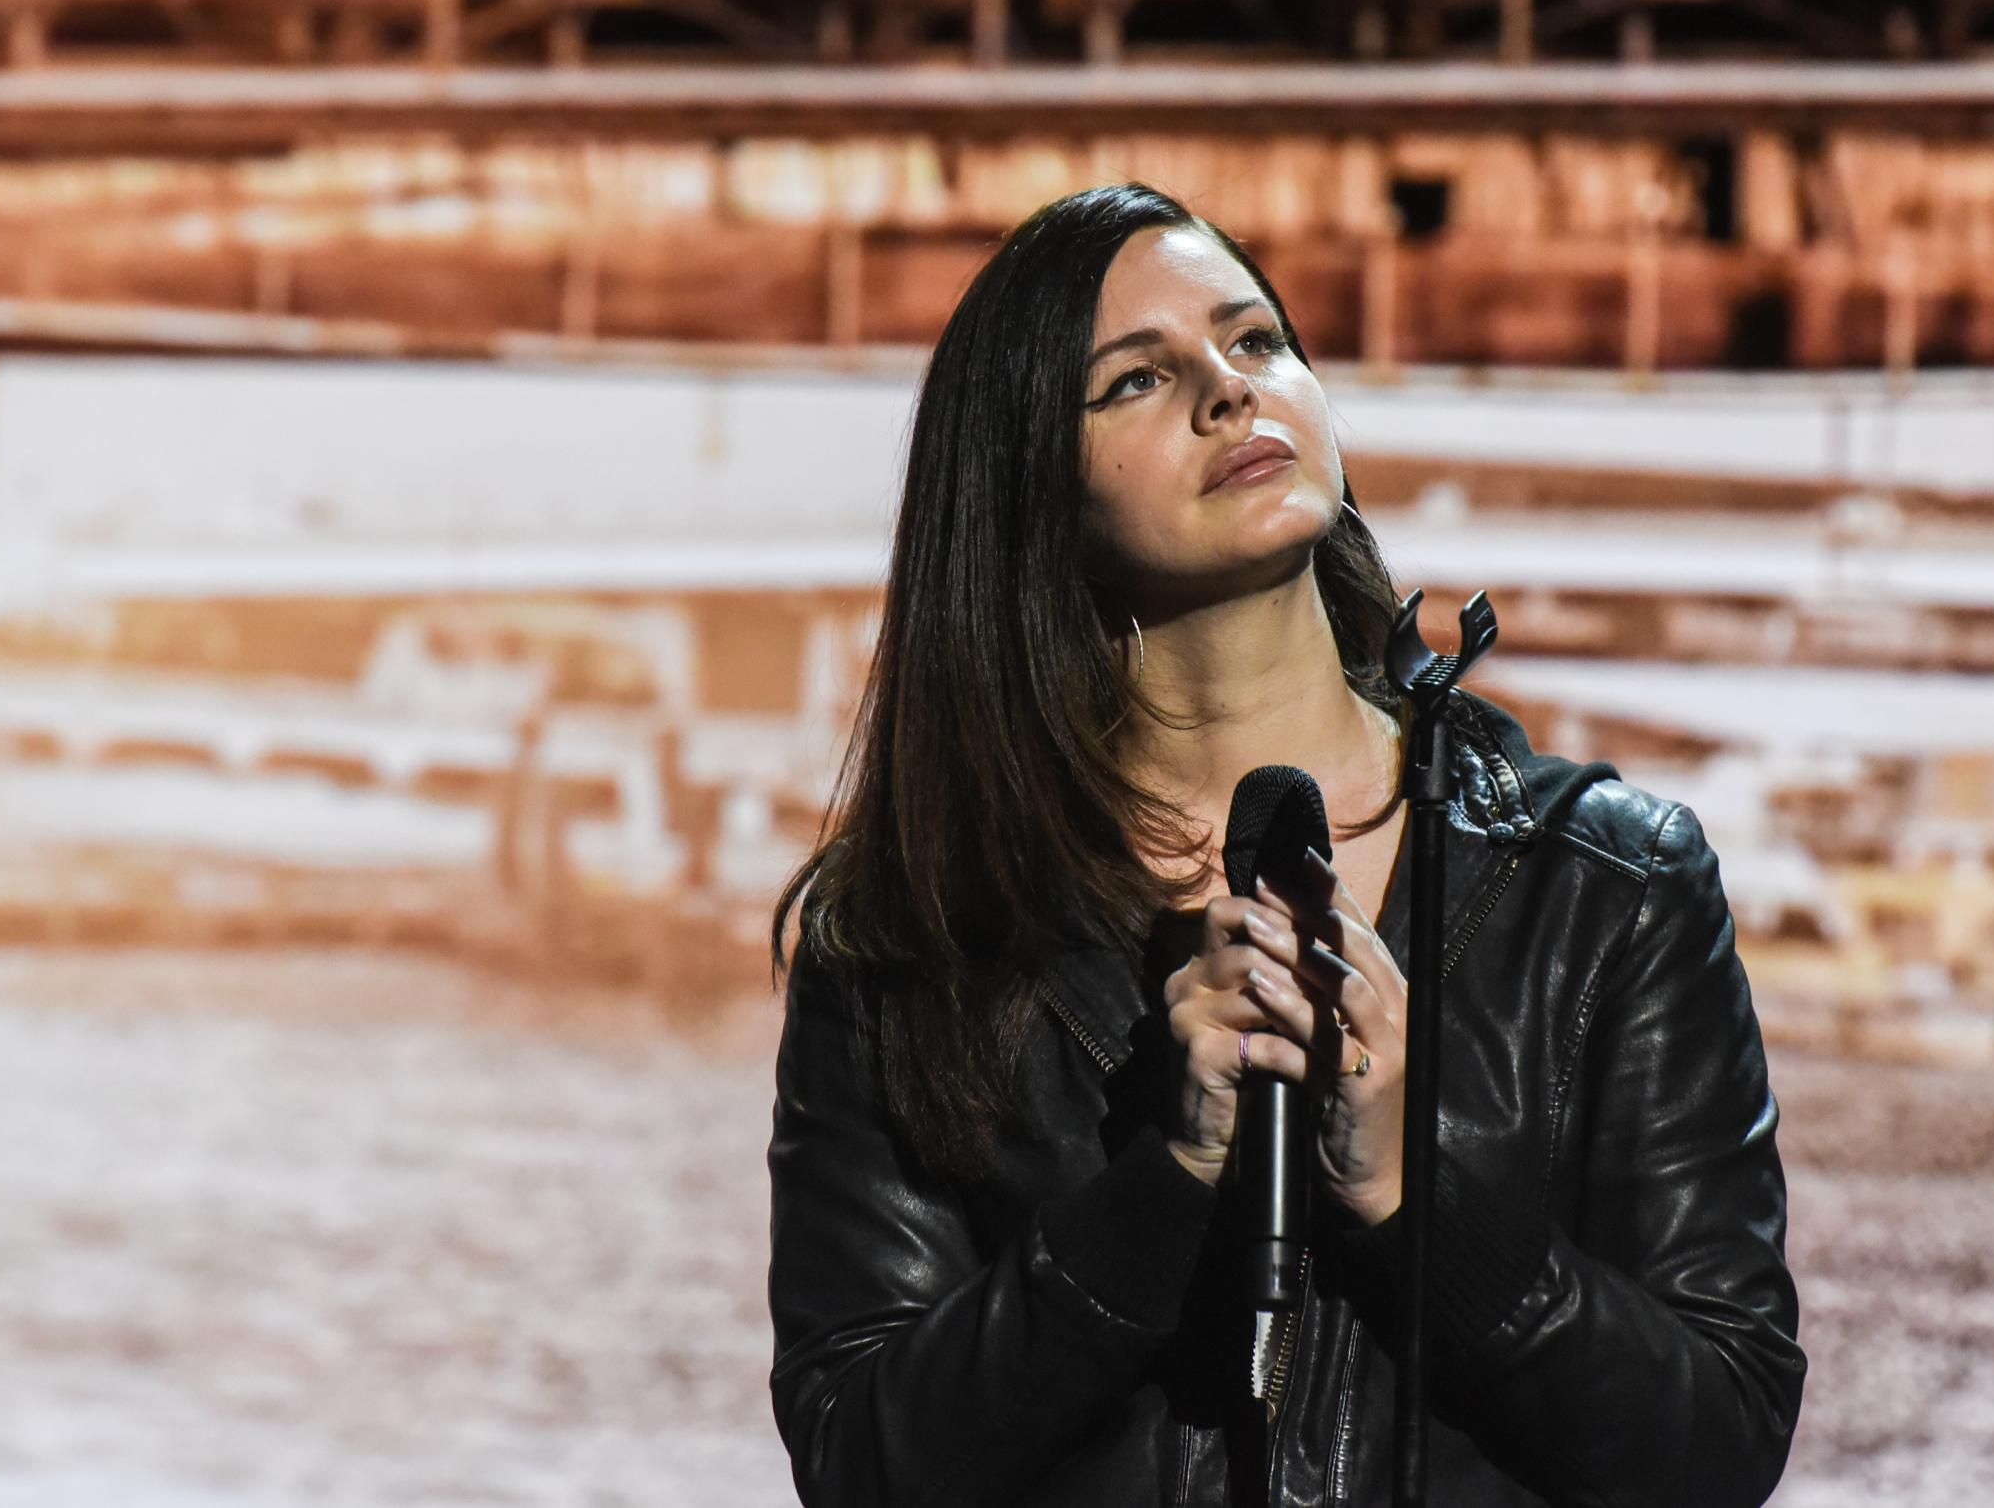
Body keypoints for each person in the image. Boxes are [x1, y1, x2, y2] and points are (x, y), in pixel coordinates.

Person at [766, 182, 1806, 1507]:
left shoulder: (1611, 889)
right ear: (1029, 498)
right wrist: (1165, 1184)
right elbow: (865, 1458)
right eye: (1135, 381)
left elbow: (1716, 1442)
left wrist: (1406, 1196)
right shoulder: (917, 938)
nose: (1225, 390)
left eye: (1254, 342)